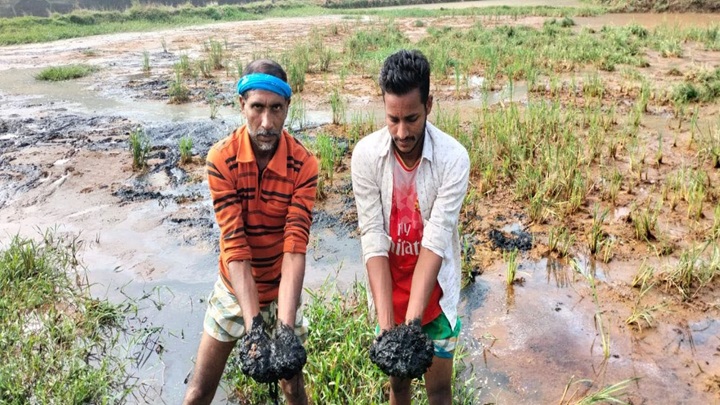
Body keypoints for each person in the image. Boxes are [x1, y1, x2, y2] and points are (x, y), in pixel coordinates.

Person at [183, 59, 318, 405]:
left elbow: (294, 247)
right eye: (257, 108)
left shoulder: (304, 164)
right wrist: (254, 324)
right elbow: (235, 246)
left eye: (276, 109)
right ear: (241, 105)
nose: (267, 122)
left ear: (288, 107)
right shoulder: (221, 159)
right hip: (234, 287)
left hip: (280, 288)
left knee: (294, 387)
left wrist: (284, 329)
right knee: (200, 389)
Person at [351, 49, 470, 405]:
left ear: (429, 104)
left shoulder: (453, 158)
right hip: (391, 290)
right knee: (398, 385)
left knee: (438, 390)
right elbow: (372, 238)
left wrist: (413, 326)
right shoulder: (366, 156)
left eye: (412, 119)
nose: (402, 132)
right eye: (393, 119)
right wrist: (389, 328)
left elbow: (435, 244)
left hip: (433, 294)